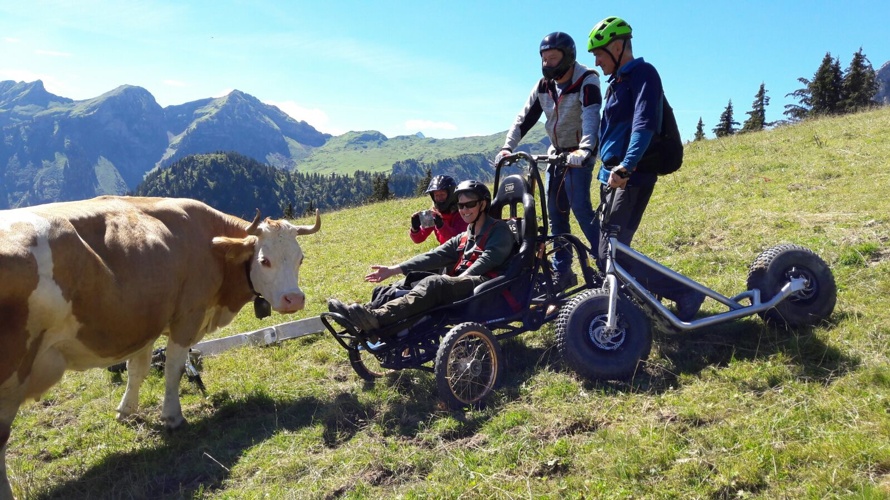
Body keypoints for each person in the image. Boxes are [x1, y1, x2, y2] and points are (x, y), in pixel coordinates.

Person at [587, 16, 704, 321]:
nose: (597, 62)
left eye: (599, 53)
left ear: (617, 46)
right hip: (613, 177)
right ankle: (638, 297)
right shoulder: (617, 83)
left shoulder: (643, 74)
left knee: (612, 252)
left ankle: (684, 292)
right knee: (610, 252)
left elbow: (644, 124)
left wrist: (627, 166)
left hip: (631, 177)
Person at [328, 180, 514, 332]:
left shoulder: (499, 230)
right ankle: (362, 316)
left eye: (470, 204)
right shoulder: (465, 235)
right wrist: (393, 270)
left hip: (485, 285)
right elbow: (435, 255)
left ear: (483, 204)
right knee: (398, 285)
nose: (464, 210)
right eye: (460, 205)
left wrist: (453, 280)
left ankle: (378, 318)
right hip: (460, 283)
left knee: (434, 283)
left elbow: (488, 259)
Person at [495, 32, 602, 290]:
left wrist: (585, 150)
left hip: (578, 155)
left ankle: (608, 265)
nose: (547, 64)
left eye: (553, 58)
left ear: (568, 57)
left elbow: (591, 116)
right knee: (555, 214)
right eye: (544, 59)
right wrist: (508, 147)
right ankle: (562, 271)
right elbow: (524, 118)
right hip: (556, 155)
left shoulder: (587, 79)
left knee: (581, 208)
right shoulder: (544, 85)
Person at [409, 175, 469, 245]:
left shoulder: (462, 212)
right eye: (436, 195)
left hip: (462, 251)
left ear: (451, 194)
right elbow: (418, 239)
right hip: (444, 252)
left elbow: (459, 240)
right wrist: (415, 229)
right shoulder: (433, 213)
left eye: (442, 194)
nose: (439, 198)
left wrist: (441, 226)